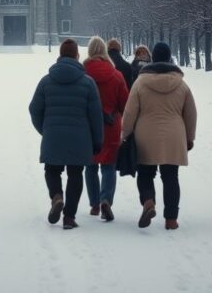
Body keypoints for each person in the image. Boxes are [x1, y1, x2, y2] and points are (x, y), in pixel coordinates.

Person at [29, 38, 104, 230]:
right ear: (77, 56)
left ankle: (56, 196)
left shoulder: (46, 81)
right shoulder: (88, 83)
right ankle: (69, 217)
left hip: (53, 135)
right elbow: (96, 116)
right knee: (75, 174)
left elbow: (34, 109)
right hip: (79, 139)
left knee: (52, 170)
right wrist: (97, 140)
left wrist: (45, 129)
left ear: (60, 55)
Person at [122, 41, 197, 230]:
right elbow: (191, 113)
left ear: (153, 58)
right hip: (173, 136)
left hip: (145, 135)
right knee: (171, 176)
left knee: (145, 173)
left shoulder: (140, 83)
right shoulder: (181, 84)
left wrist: (125, 133)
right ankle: (171, 219)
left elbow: (130, 112)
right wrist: (189, 137)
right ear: (169, 58)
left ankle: (148, 201)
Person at [84, 37, 129, 221]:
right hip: (111, 126)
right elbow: (125, 104)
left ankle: (94, 204)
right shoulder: (117, 75)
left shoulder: (82, 74)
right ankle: (106, 200)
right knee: (109, 165)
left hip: (88, 127)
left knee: (90, 166)